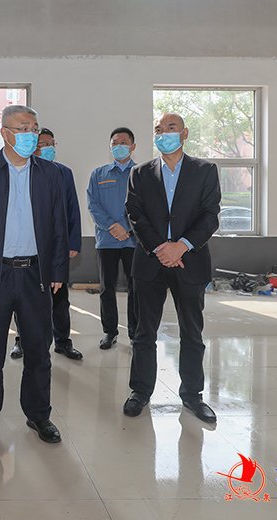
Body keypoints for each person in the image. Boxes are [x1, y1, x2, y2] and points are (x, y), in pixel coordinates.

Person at [0, 105, 68, 448]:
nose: (31, 134)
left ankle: (39, 415)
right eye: (23, 128)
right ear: (5, 133)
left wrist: (58, 270)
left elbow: (59, 225)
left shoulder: (50, 174)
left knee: (38, 350)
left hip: (35, 274)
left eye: (34, 128)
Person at [122, 113, 220, 425]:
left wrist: (181, 246)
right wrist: (160, 247)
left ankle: (192, 395)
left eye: (171, 128)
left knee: (192, 332)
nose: (164, 133)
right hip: (150, 262)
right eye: (159, 129)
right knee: (143, 332)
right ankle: (140, 391)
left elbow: (210, 215)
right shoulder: (140, 173)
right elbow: (134, 214)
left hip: (190, 261)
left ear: (184, 133)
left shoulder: (205, 170)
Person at [12, 128, 83, 360]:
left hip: (57, 247)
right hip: (30, 248)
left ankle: (62, 341)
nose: (48, 148)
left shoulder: (63, 172)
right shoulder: (23, 171)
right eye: (42, 144)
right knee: (24, 298)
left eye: (51, 143)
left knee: (60, 298)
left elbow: (72, 208)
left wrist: (73, 242)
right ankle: (21, 341)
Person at [86, 128, 138, 350]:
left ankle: (135, 333)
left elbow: (146, 206)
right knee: (107, 287)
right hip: (106, 240)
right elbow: (93, 205)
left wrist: (127, 228)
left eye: (123, 142)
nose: (118, 146)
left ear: (133, 146)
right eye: (115, 143)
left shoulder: (141, 173)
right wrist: (112, 226)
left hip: (134, 241)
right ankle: (109, 332)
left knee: (136, 287)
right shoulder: (99, 174)